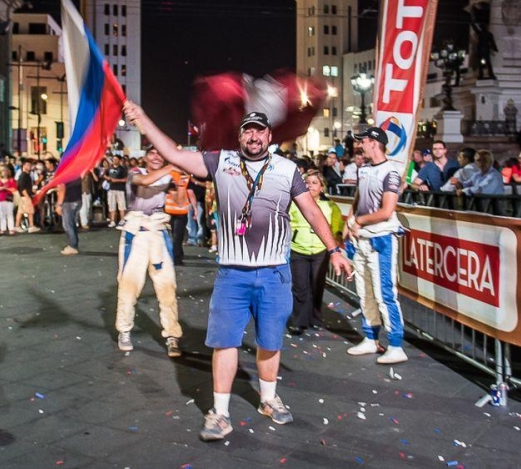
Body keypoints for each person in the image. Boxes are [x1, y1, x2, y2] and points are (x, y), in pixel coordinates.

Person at [124, 104, 352, 442]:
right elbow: (172, 151)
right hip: (233, 274)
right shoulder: (221, 162)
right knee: (225, 342)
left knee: (270, 342)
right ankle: (220, 413)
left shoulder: (287, 169)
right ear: (240, 136)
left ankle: (269, 399)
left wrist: (334, 249)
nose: (254, 135)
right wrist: (142, 119)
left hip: (274, 273)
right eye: (248, 130)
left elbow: (313, 212)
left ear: (269, 136)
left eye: (260, 130)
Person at [345, 127, 407, 365]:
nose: (359, 145)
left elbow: (386, 211)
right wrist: (350, 221)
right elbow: (359, 198)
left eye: (363, 141)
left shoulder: (391, 172)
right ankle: (370, 338)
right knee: (365, 293)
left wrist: (357, 220)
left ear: (374, 143)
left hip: (381, 239)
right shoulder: (364, 169)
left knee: (384, 294)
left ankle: (395, 344)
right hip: (361, 239)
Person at [115, 144, 184, 358]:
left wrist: (181, 183)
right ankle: (124, 330)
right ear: (145, 157)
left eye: (160, 153)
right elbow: (145, 182)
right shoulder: (136, 173)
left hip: (158, 235)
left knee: (167, 286)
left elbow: (181, 204)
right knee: (129, 286)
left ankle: (172, 334)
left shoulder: (168, 177)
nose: (156, 157)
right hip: (135, 234)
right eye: (152, 153)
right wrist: (173, 166)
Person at [288, 170, 343, 334]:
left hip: (320, 251)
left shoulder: (330, 206)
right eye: (308, 182)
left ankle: (315, 318)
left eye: (314, 183)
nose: (310, 186)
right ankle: (299, 321)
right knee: (300, 287)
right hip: (298, 249)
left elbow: (336, 226)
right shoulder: (294, 203)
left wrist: (336, 242)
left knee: (317, 286)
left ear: (322, 187)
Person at [163, 168, 197, 266]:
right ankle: (176, 257)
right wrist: (195, 208)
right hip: (181, 211)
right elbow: (191, 194)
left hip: (170, 210)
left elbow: (167, 190)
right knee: (178, 235)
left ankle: (177, 255)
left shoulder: (169, 175)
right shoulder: (187, 178)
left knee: (175, 234)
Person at [56, 178, 83, 255]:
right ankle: (74, 244)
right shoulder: (75, 173)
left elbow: (62, 189)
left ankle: (72, 246)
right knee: (72, 223)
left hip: (68, 201)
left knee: (68, 224)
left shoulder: (64, 174)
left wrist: (59, 204)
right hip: (77, 200)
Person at [15, 160, 40, 233]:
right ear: (24, 166)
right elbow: (22, 188)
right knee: (30, 211)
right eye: (28, 165)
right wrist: (27, 197)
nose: (29, 167)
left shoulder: (26, 175)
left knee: (21, 211)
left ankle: (17, 226)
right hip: (25, 196)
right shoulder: (23, 176)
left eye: (30, 165)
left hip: (24, 196)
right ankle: (31, 226)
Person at [105, 155, 128, 227]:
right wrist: (107, 178)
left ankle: (122, 220)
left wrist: (117, 180)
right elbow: (104, 175)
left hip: (120, 189)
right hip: (111, 189)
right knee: (112, 206)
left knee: (121, 206)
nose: (114, 161)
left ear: (119, 160)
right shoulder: (109, 168)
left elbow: (126, 179)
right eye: (113, 159)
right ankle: (112, 221)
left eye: (116, 159)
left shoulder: (122, 169)